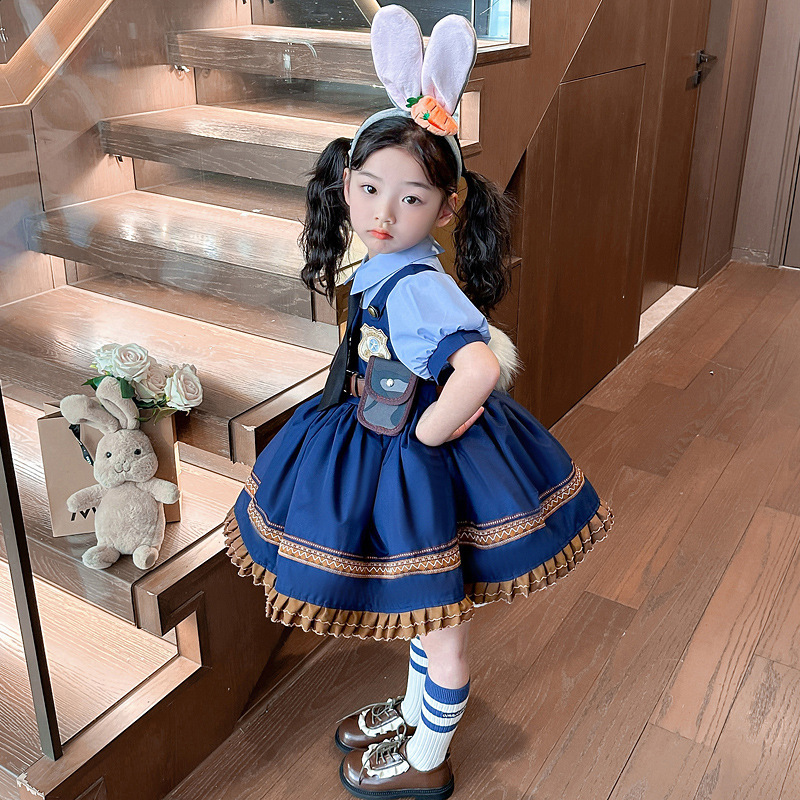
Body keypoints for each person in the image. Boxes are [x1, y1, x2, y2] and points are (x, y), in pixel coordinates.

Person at [221, 8, 613, 800]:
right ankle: (412, 714)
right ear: (346, 183)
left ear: (445, 207)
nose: (382, 214)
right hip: (389, 434)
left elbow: (476, 365)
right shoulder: (387, 266)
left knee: (444, 629)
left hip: (419, 460)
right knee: (426, 612)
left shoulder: (417, 285)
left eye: (409, 199)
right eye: (370, 190)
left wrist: (429, 432)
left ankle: (427, 758)